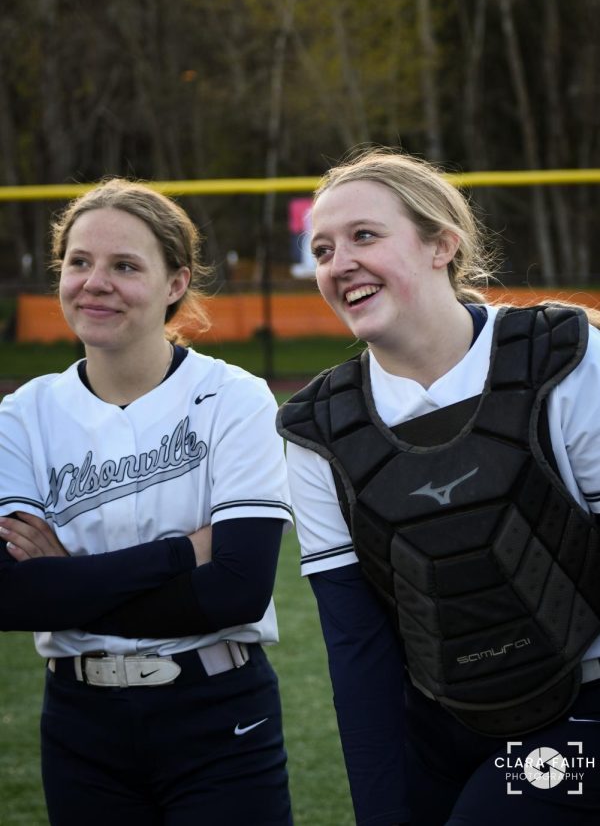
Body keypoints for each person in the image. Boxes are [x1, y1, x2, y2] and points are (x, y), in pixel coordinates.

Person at [277, 148, 600, 826]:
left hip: (583, 711)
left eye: (365, 236)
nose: (341, 263)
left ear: (441, 245)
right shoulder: (319, 428)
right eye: (325, 248)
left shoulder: (562, 357)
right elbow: (356, 647)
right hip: (439, 729)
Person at [0, 178, 294, 826]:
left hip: (219, 714)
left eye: (125, 265)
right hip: (80, 725)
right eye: (79, 262)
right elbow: (12, 597)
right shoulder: (20, 417)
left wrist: (66, 580)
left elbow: (238, 590)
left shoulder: (235, 398)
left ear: (175, 283)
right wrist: (184, 552)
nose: (95, 281)